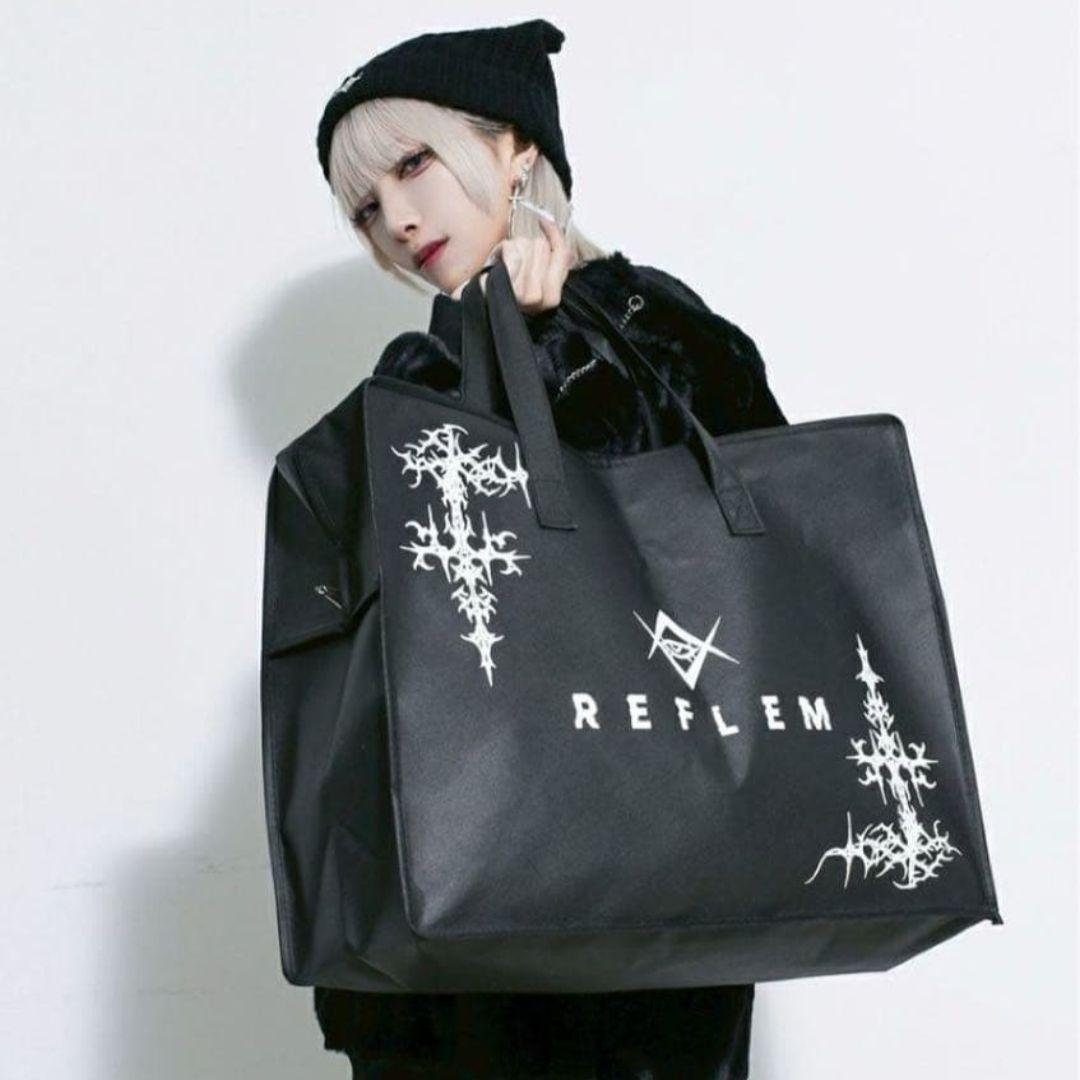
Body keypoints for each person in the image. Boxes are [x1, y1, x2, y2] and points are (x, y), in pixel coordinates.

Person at [310, 18, 788, 1079]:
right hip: (459, 894)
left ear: (514, 146)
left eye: (413, 163)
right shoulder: (422, 372)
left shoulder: (661, 335)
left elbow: (734, 564)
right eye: (366, 207)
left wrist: (549, 346)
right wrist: (490, 346)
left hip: (637, 889)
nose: (397, 219)